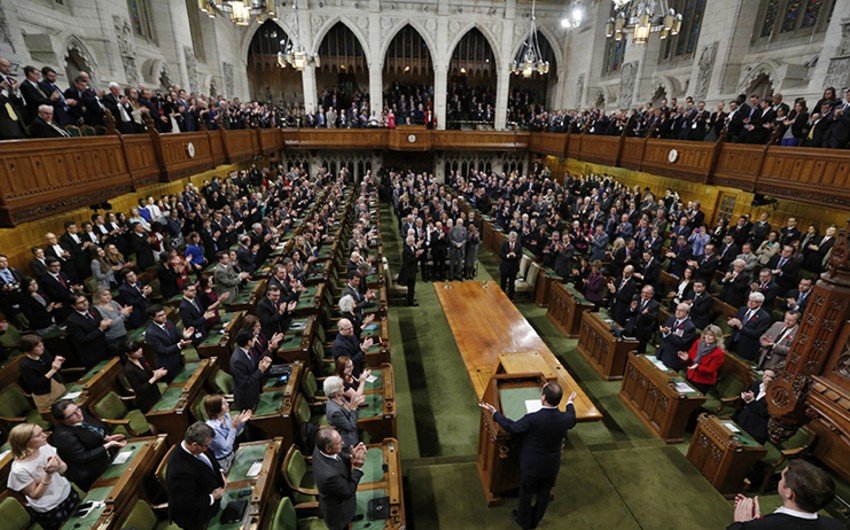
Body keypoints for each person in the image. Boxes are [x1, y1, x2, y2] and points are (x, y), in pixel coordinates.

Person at [479, 382, 577, 530]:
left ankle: (523, 520)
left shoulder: (533, 418)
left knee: (526, 493)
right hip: (551, 465)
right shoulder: (565, 419)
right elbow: (572, 417)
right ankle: (535, 520)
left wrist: (495, 413)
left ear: (543, 398)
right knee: (544, 493)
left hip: (532, 465)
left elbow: (512, 427)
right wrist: (570, 403)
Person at [729, 459, 842, 529]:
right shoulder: (836, 526)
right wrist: (762, 520)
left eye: (782, 478)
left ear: (789, 493)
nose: (779, 480)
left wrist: (741, 523)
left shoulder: (760, 527)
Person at [6, 423, 79, 530]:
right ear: (26, 442)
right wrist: (48, 474)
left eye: (42, 431)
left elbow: (63, 468)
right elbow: (35, 495)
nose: (45, 435)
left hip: (66, 492)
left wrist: (58, 466)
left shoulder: (44, 446)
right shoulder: (19, 470)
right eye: (38, 435)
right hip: (50, 507)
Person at [50, 399, 126, 490]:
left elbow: (95, 432)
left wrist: (106, 438)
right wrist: (108, 445)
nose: (78, 413)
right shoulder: (63, 436)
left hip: (106, 459)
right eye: (72, 414)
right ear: (62, 420)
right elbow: (83, 457)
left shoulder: (81, 415)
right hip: (92, 474)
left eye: (77, 409)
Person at [166, 422, 227, 530]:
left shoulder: (198, 446)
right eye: (206, 446)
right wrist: (212, 497)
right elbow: (186, 505)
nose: (207, 449)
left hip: (214, 499)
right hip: (198, 518)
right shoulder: (179, 472)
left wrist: (220, 472)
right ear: (194, 445)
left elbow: (210, 457)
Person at [312, 426, 368, 530]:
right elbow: (348, 492)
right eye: (339, 443)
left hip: (341, 498)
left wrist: (352, 456)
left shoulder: (319, 448)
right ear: (328, 449)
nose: (343, 444)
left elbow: (338, 458)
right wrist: (357, 468)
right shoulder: (329, 476)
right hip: (338, 513)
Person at [144, 304, 194, 383]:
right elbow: (163, 350)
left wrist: (184, 336)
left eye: (164, 314)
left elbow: (177, 336)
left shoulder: (168, 323)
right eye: (160, 316)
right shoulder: (151, 333)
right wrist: (179, 345)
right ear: (152, 318)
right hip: (167, 365)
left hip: (178, 359)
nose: (164, 317)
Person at [203, 394, 252, 471]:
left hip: (233, 454)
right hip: (224, 463)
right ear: (216, 408)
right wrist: (233, 427)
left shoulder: (226, 416)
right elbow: (226, 448)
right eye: (224, 403)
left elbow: (233, 434)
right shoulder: (211, 429)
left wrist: (241, 422)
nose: (227, 404)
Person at [18, 334, 66, 410]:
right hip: (44, 395)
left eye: (42, 345)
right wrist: (53, 370)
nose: (42, 348)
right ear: (29, 348)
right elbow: (36, 384)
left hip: (57, 385)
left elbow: (53, 367)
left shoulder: (44, 353)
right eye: (38, 346)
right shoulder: (25, 365)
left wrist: (57, 363)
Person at [230, 328, 272, 411]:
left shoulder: (249, 349)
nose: (255, 340)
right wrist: (260, 370)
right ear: (249, 342)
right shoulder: (237, 361)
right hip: (247, 398)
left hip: (256, 389)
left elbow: (253, 365)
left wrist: (263, 361)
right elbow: (245, 383)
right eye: (254, 338)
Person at [65, 294, 111, 368]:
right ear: (73, 306)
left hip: (105, 348)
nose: (85, 303)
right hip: (92, 354)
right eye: (80, 302)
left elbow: (102, 326)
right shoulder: (72, 321)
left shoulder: (93, 310)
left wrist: (106, 324)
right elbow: (83, 339)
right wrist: (100, 329)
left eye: (85, 300)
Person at [677, 325, 726, 394]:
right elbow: (690, 358)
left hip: (702, 382)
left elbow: (710, 370)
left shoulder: (719, 353)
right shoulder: (698, 342)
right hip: (690, 375)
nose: (708, 337)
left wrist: (697, 367)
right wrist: (686, 359)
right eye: (706, 334)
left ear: (716, 338)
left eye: (711, 336)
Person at [123, 340, 166, 413]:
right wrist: (154, 378)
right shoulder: (128, 370)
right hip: (146, 401)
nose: (139, 351)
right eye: (135, 351)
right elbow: (139, 390)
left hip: (155, 392)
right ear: (128, 354)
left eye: (139, 348)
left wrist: (157, 372)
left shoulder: (141, 358)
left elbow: (149, 372)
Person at [734, 369, 775, 445]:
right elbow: (748, 403)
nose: (764, 377)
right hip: (744, 419)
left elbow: (765, 413)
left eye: (768, 376)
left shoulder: (774, 395)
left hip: (756, 428)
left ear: (774, 380)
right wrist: (746, 398)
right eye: (764, 374)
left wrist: (751, 401)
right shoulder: (757, 384)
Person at [727, 293, 772, 361]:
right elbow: (735, 323)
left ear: (760, 303)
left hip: (746, 347)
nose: (751, 303)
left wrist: (741, 327)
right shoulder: (743, 309)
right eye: (750, 300)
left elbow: (757, 334)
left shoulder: (764, 317)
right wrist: (731, 323)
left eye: (754, 301)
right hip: (733, 341)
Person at [323, 376, 363, 452]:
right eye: (341, 387)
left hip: (354, 426)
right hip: (348, 441)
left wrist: (356, 403)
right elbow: (351, 427)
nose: (344, 387)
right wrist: (353, 408)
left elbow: (349, 407)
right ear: (335, 392)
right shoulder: (335, 412)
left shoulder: (339, 397)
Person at [657, 303, 697, 371]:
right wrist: (663, 332)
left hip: (673, 359)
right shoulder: (671, 318)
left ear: (687, 313)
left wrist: (668, 334)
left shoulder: (690, 327)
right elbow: (662, 335)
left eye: (681, 310)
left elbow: (681, 342)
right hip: (662, 352)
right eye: (677, 309)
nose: (678, 312)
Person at [92, 287, 132, 357]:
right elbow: (111, 324)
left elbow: (126, 315)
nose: (108, 296)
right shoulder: (97, 309)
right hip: (113, 339)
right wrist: (123, 314)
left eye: (109, 294)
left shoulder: (113, 303)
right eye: (105, 295)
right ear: (98, 296)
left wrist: (126, 312)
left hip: (124, 333)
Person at [624, 285, 660, 353]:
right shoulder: (636, 298)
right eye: (643, 292)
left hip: (642, 333)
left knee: (638, 352)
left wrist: (646, 314)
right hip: (630, 329)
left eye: (647, 293)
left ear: (652, 294)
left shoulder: (655, 304)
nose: (644, 294)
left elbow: (653, 318)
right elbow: (627, 311)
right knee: (626, 349)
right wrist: (632, 309)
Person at [398, 234, 421, 306]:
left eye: (413, 241)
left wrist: (418, 254)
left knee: (412, 287)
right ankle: (410, 302)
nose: (413, 242)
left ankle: (411, 298)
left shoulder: (412, 247)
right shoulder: (406, 250)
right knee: (411, 287)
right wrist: (416, 256)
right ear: (407, 242)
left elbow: (414, 255)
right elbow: (408, 261)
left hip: (412, 270)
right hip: (408, 272)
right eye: (411, 241)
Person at [500, 231, 523, 299]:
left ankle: (510, 297)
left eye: (514, 237)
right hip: (505, 267)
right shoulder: (504, 244)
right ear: (509, 237)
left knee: (511, 283)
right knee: (503, 282)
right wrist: (507, 255)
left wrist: (515, 256)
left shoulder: (519, 245)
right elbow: (500, 254)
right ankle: (502, 295)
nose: (513, 239)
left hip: (514, 267)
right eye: (511, 237)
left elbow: (520, 255)